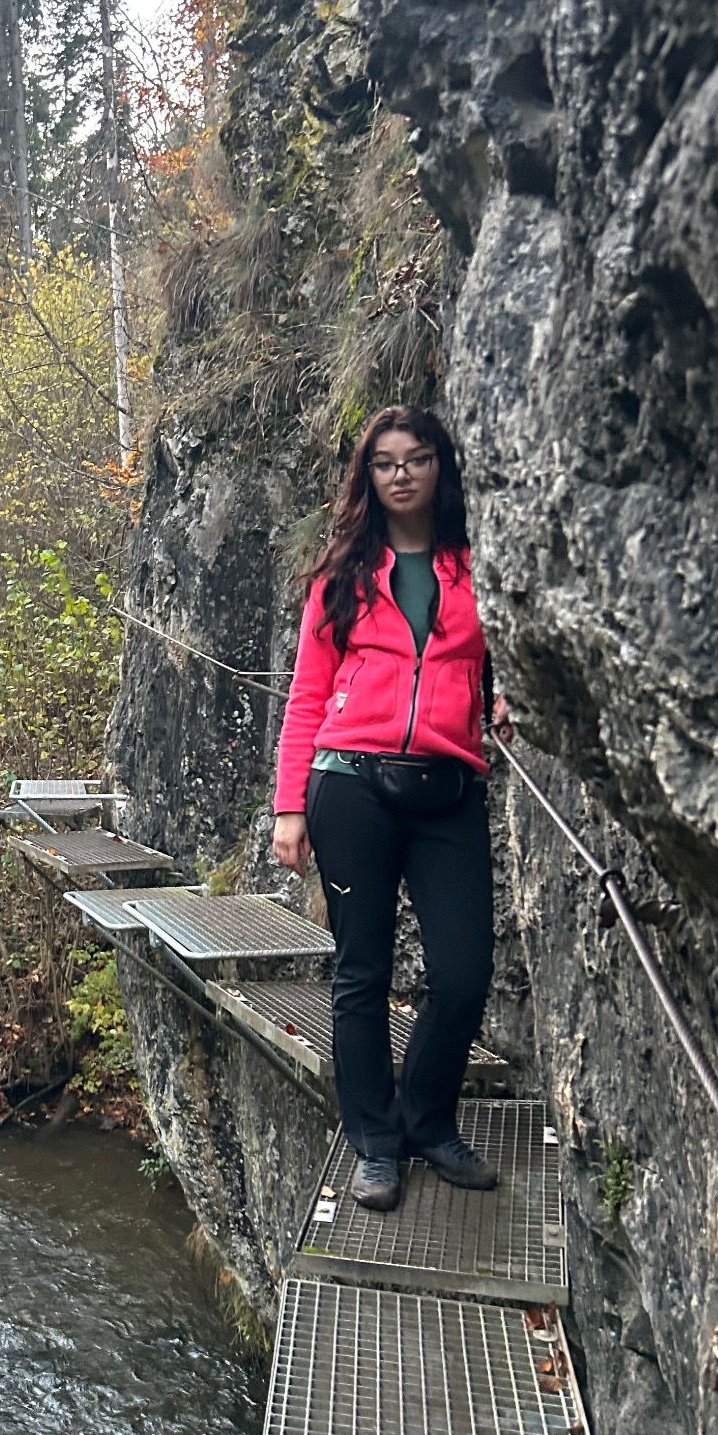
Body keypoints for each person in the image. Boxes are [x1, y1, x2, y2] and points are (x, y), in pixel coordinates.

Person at [272, 405, 501, 1212]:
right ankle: (374, 1144)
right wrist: (287, 807)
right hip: (349, 787)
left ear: (441, 466)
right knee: (360, 973)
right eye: (383, 461)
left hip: (447, 788)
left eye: (416, 457)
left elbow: (499, 661)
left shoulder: (478, 567)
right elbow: (305, 696)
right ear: (366, 476)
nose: (400, 472)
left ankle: (427, 1122)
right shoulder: (343, 574)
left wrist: (499, 702)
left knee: (463, 974)